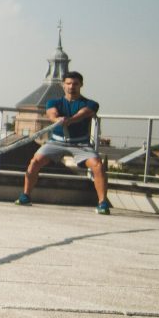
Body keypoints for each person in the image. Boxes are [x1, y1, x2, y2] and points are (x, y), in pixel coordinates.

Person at [16, 70, 110, 214]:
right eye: (68, 83)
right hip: (56, 142)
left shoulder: (91, 103)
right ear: (63, 85)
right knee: (35, 161)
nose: (71, 86)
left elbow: (84, 113)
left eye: (75, 84)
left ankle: (102, 203)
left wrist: (70, 120)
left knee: (97, 165)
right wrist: (56, 120)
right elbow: (51, 113)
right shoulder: (54, 102)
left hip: (81, 144)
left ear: (81, 85)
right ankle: (26, 196)